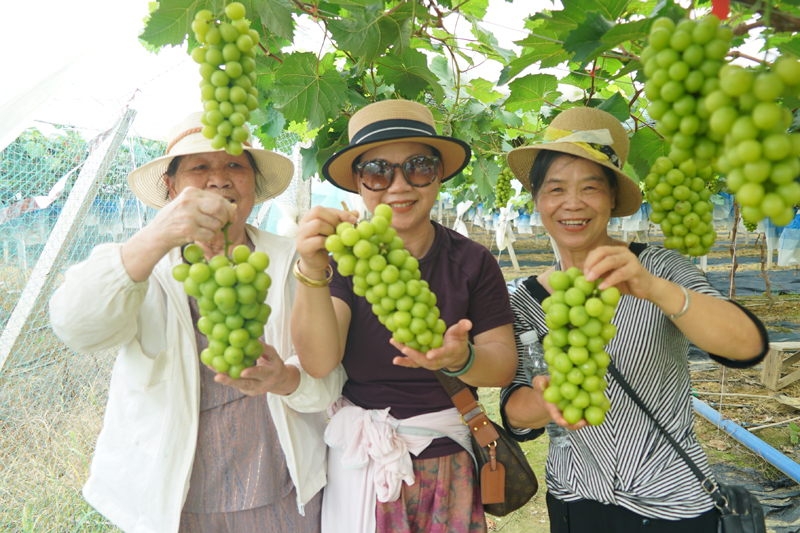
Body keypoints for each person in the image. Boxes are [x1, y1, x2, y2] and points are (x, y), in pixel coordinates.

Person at [49, 112, 346, 533]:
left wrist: (285, 379)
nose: (219, 180)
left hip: (283, 495)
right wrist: (156, 237)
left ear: (254, 187)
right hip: (173, 505)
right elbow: (74, 327)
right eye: (199, 167)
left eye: (235, 166)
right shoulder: (142, 262)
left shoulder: (295, 262)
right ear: (171, 188)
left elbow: (329, 382)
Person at [499, 107, 769, 533]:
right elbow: (515, 414)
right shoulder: (522, 300)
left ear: (611, 200)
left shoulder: (658, 269)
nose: (572, 203)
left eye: (590, 187)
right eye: (555, 189)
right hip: (575, 500)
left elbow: (747, 346)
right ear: (537, 200)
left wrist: (655, 290)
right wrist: (544, 405)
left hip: (673, 502)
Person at [291, 99, 518, 532]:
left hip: (448, 460)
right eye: (378, 171)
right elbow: (319, 361)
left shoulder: (473, 261)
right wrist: (310, 270)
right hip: (366, 463)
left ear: (438, 175)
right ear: (359, 183)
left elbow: (503, 365)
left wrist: (461, 359)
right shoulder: (338, 261)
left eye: (417, 167)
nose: (398, 186)